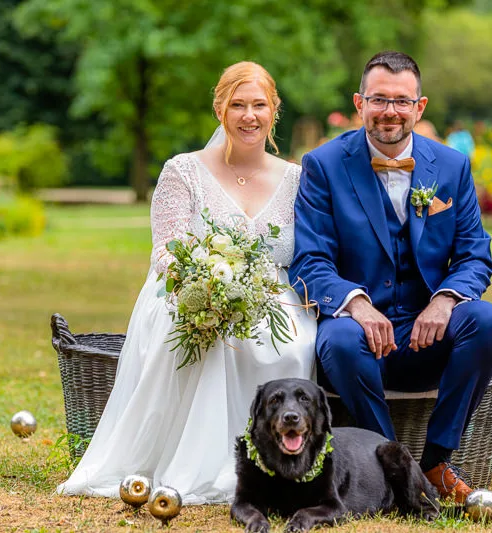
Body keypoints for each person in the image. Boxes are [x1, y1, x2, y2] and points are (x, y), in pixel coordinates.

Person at [58, 61, 316, 504]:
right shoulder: (183, 171)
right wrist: (206, 289)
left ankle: (274, 460)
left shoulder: (296, 179)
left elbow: (309, 253)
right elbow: (164, 251)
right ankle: (206, 463)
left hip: (274, 298)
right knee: (210, 337)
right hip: (187, 289)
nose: (248, 115)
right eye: (237, 104)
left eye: (259, 105)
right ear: (220, 109)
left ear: (275, 110)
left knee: (292, 345)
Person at [290, 51, 492, 504]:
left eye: (402, 101)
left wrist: (445, 300)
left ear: (419, 107)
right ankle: (392, 465)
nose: (390, 111)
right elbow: (310, 261)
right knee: (340, 341)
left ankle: (435, 460)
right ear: (359, 103)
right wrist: (358, 305)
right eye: (379, 99)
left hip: (426, 331)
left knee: (487, 321)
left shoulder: (450, 166)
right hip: (356, 333)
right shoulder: (323, 165)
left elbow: (475, 255)